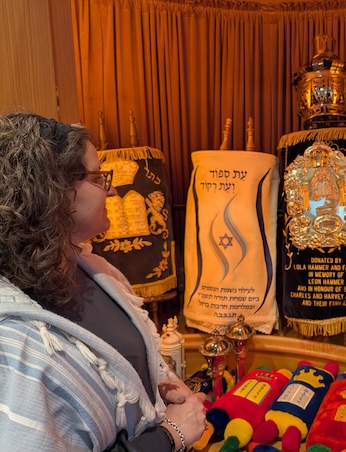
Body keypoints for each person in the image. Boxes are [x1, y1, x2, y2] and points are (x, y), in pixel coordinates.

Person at [0, 112, 207, 451]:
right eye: (99, 178)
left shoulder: (95, 268)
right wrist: (170, 436)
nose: (112, 190)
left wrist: (160, 383)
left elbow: (123, 366)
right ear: (55, 190)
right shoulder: (13, 340)